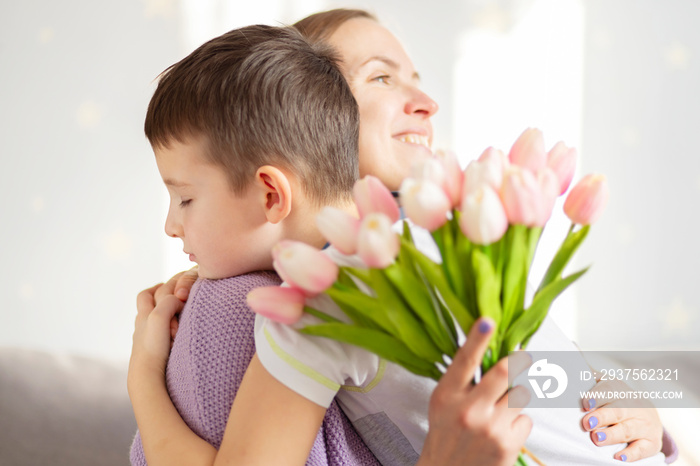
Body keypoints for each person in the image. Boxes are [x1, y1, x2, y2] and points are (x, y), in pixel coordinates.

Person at [133, 8, 676, 465]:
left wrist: (644, 411)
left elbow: (550, 370)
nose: (426, 103)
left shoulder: (429, 250)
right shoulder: (286, 303)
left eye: (183, 198)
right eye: (381, 77)